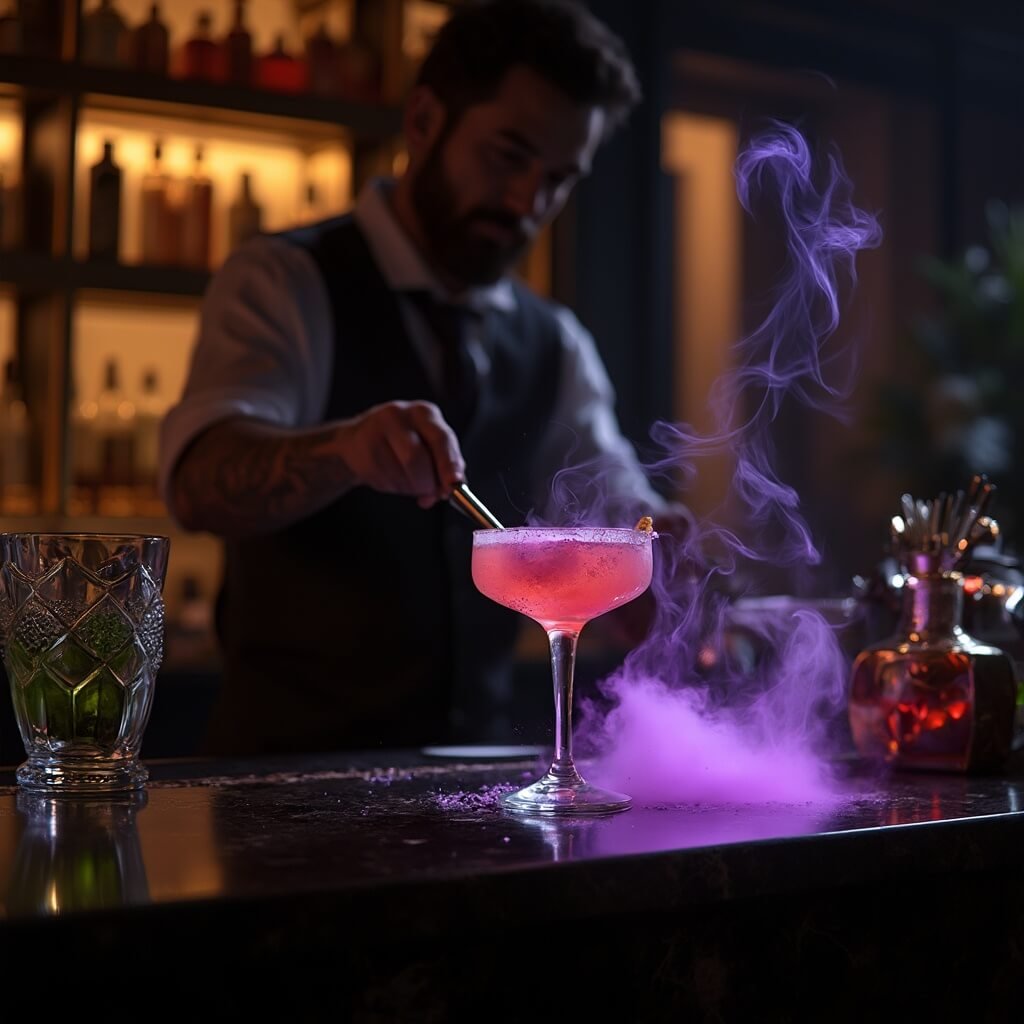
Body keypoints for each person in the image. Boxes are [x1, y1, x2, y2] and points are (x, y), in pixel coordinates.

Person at [159, 0, 691, 757]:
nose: (526, 203)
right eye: (508, 156)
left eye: (559, 179)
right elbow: (198, 483)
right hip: (285, 785)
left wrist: (653, 551)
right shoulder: (285, 281)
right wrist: (342, 451)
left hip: (474, 785)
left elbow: (606, 492)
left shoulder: (555, 341)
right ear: (423, 121)